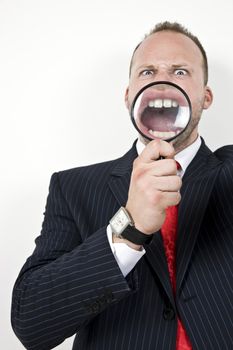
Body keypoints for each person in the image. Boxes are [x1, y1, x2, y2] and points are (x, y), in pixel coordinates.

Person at [11, 22, 233, 350]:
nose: (162, 80)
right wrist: (129, 228)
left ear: (206, 96)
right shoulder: (72, 188)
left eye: (180, 71)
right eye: (147, 71)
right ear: (129, 97)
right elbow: (31, 323)